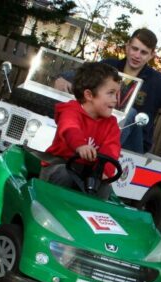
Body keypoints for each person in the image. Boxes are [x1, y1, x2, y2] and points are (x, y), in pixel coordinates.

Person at [41, 62, 122, 200]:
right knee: (65, 175)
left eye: (116, 94)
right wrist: (80, 145)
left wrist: (105, 172)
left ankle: (91, 218)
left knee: (104, 188)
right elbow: (70, 128)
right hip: (60, 164)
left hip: (90, 173)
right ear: (89, 95)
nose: (115, 100)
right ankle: (51, 207)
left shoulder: (112, 124)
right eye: (110, 94)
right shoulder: (70, 110)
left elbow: (111, 149)